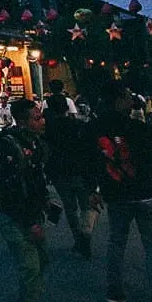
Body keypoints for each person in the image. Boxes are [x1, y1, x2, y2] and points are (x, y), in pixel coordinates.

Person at [88, 81, 152, 302]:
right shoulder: (138, 128)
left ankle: (114, 291)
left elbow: (92, 161)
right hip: (143, 192)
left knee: (116, 241)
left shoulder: (95, 128)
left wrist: (94, 189)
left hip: (116, 194)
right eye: (126, 95)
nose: (130, 99)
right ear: (119, 99)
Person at [0, 99, 54, 302]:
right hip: (15, 217)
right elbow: (13, 190)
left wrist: (45, 200)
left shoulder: (34, 143)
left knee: (41, 260)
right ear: (23, 121)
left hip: (32, 213)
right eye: (37, 118)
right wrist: (29, 223)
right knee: (30, 265)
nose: (42, 122)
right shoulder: (10, 146)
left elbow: (35, 179)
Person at [43, 93, 97, 259]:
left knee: (70, 207)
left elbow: (46, 154)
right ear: (67, 108)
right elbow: (89, 150)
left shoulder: (47, 131)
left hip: (60, 173)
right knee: (87, 206)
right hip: (81, 171)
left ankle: (78, 238)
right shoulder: (79, 126)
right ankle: (86, 231)